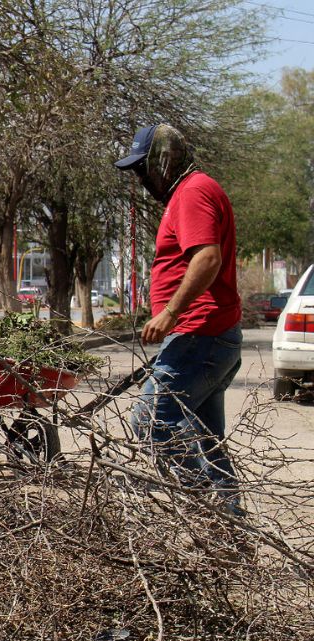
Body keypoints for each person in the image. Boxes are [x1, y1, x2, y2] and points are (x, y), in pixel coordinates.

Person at [114, 123, 243, 513]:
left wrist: (170, 313)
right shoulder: (195, 191)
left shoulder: (192, 193)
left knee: (151, 424)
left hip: (198, 334)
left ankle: (206, 514)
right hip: (210, 337)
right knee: (207, 441)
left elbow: (207, 258)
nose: (142, 179)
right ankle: (230, 532)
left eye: (143, 169)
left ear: (163, 161)